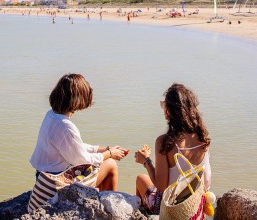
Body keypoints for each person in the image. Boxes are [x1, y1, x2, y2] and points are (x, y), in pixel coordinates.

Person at [30, 73, 128, 191]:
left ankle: (100, 199)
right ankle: (109, 203)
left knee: (104, 161)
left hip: (43, 179)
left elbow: (74, 147)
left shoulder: (51, 115)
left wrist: (105, 148)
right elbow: (83, 161)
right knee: (111, 164)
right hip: (56, 186)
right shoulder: (66, 126)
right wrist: (109, 154)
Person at [134, 83, 211, 215]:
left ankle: (146, 216)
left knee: (141, 179)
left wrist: (146, 161)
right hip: (194, 209)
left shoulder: (165, 142)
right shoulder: (203, 139)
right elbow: (207, 181)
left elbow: (162, 186)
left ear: (168, 111)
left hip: (171, 210)